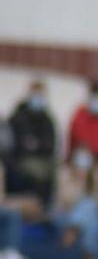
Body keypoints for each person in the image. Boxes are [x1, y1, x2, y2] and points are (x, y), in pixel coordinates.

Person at [7, 79, 57, 207]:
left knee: (54, 171)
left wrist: (35, 145)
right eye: (36, 94)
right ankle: (37, 207)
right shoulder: (18, 117)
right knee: (36, 172)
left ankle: (46, 208)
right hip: (21, 159)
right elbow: (15, 144)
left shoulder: (47, 120)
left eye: (41, 95)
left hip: (44, 160)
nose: (38, 99)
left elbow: (50, 145)